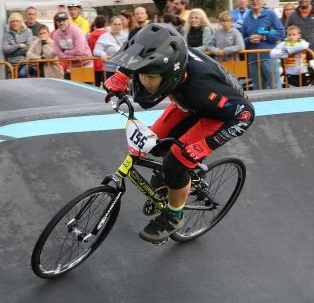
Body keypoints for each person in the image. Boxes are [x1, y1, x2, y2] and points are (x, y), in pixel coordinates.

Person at [103, 24, 255, 244]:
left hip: (219, 114)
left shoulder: (205, 87)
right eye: (143, 75)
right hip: (187, 102)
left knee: (176, 162)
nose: (144, 82)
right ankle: (174, 180)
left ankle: (174, 215)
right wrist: (121, 75)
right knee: (152, 143)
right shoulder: (169, 54)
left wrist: (204, 146)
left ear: (170, 73)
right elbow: (142, 51)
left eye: (151, 77)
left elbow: (246, 116)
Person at [242, 0, 285, 90]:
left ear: (262, 0)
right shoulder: (246, 18)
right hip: (253, 59)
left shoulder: (270, 14)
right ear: (249, 1)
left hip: (269, 57)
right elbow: (242, 40)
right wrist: (249, 40)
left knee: (275, 88)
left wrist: (264, 37)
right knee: (258, 90)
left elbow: (281, 32)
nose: (255, 1)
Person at [52, 11, 92, 79]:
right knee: (69, 88)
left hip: (85, 64)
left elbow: (79, 51)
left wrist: (66, 52)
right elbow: (57, 52)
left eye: (63, 20)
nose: (61, 23)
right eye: (59, 21)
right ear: (56, 23)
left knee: (85, 88)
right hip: (71, 66)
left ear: (68, 21)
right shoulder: (55, 34)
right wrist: (70, 56)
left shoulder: (76, 31)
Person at [3, 12, 33, 77]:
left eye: (17, 21)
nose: (15, 23)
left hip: (24, 63)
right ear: (10, 23)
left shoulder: (28, 31)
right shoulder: (7, 34)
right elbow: (5, 50)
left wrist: (11, 51)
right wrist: (18, 45)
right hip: (11, 65)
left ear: (21, 22)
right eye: (13, 21)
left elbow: (28, 47)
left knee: (22, 74)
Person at [87, 15, 107, 86]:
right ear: (105, 24)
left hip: (94, 64)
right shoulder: (107, 34)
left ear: (95, 24)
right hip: (105, 64)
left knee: (96, 86)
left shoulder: (90, 36)